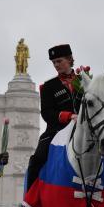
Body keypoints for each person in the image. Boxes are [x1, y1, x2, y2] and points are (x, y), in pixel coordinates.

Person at [25, 44, 83, 192]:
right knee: (37, 160)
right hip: (57, 130)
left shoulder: (84, 80)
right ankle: (30, 204)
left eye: (59, 61)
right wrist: (69, 116)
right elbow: (46, 113)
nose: (56, 65)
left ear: (70, 59)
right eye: (54, 62)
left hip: (84, 128)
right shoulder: (48, 86)